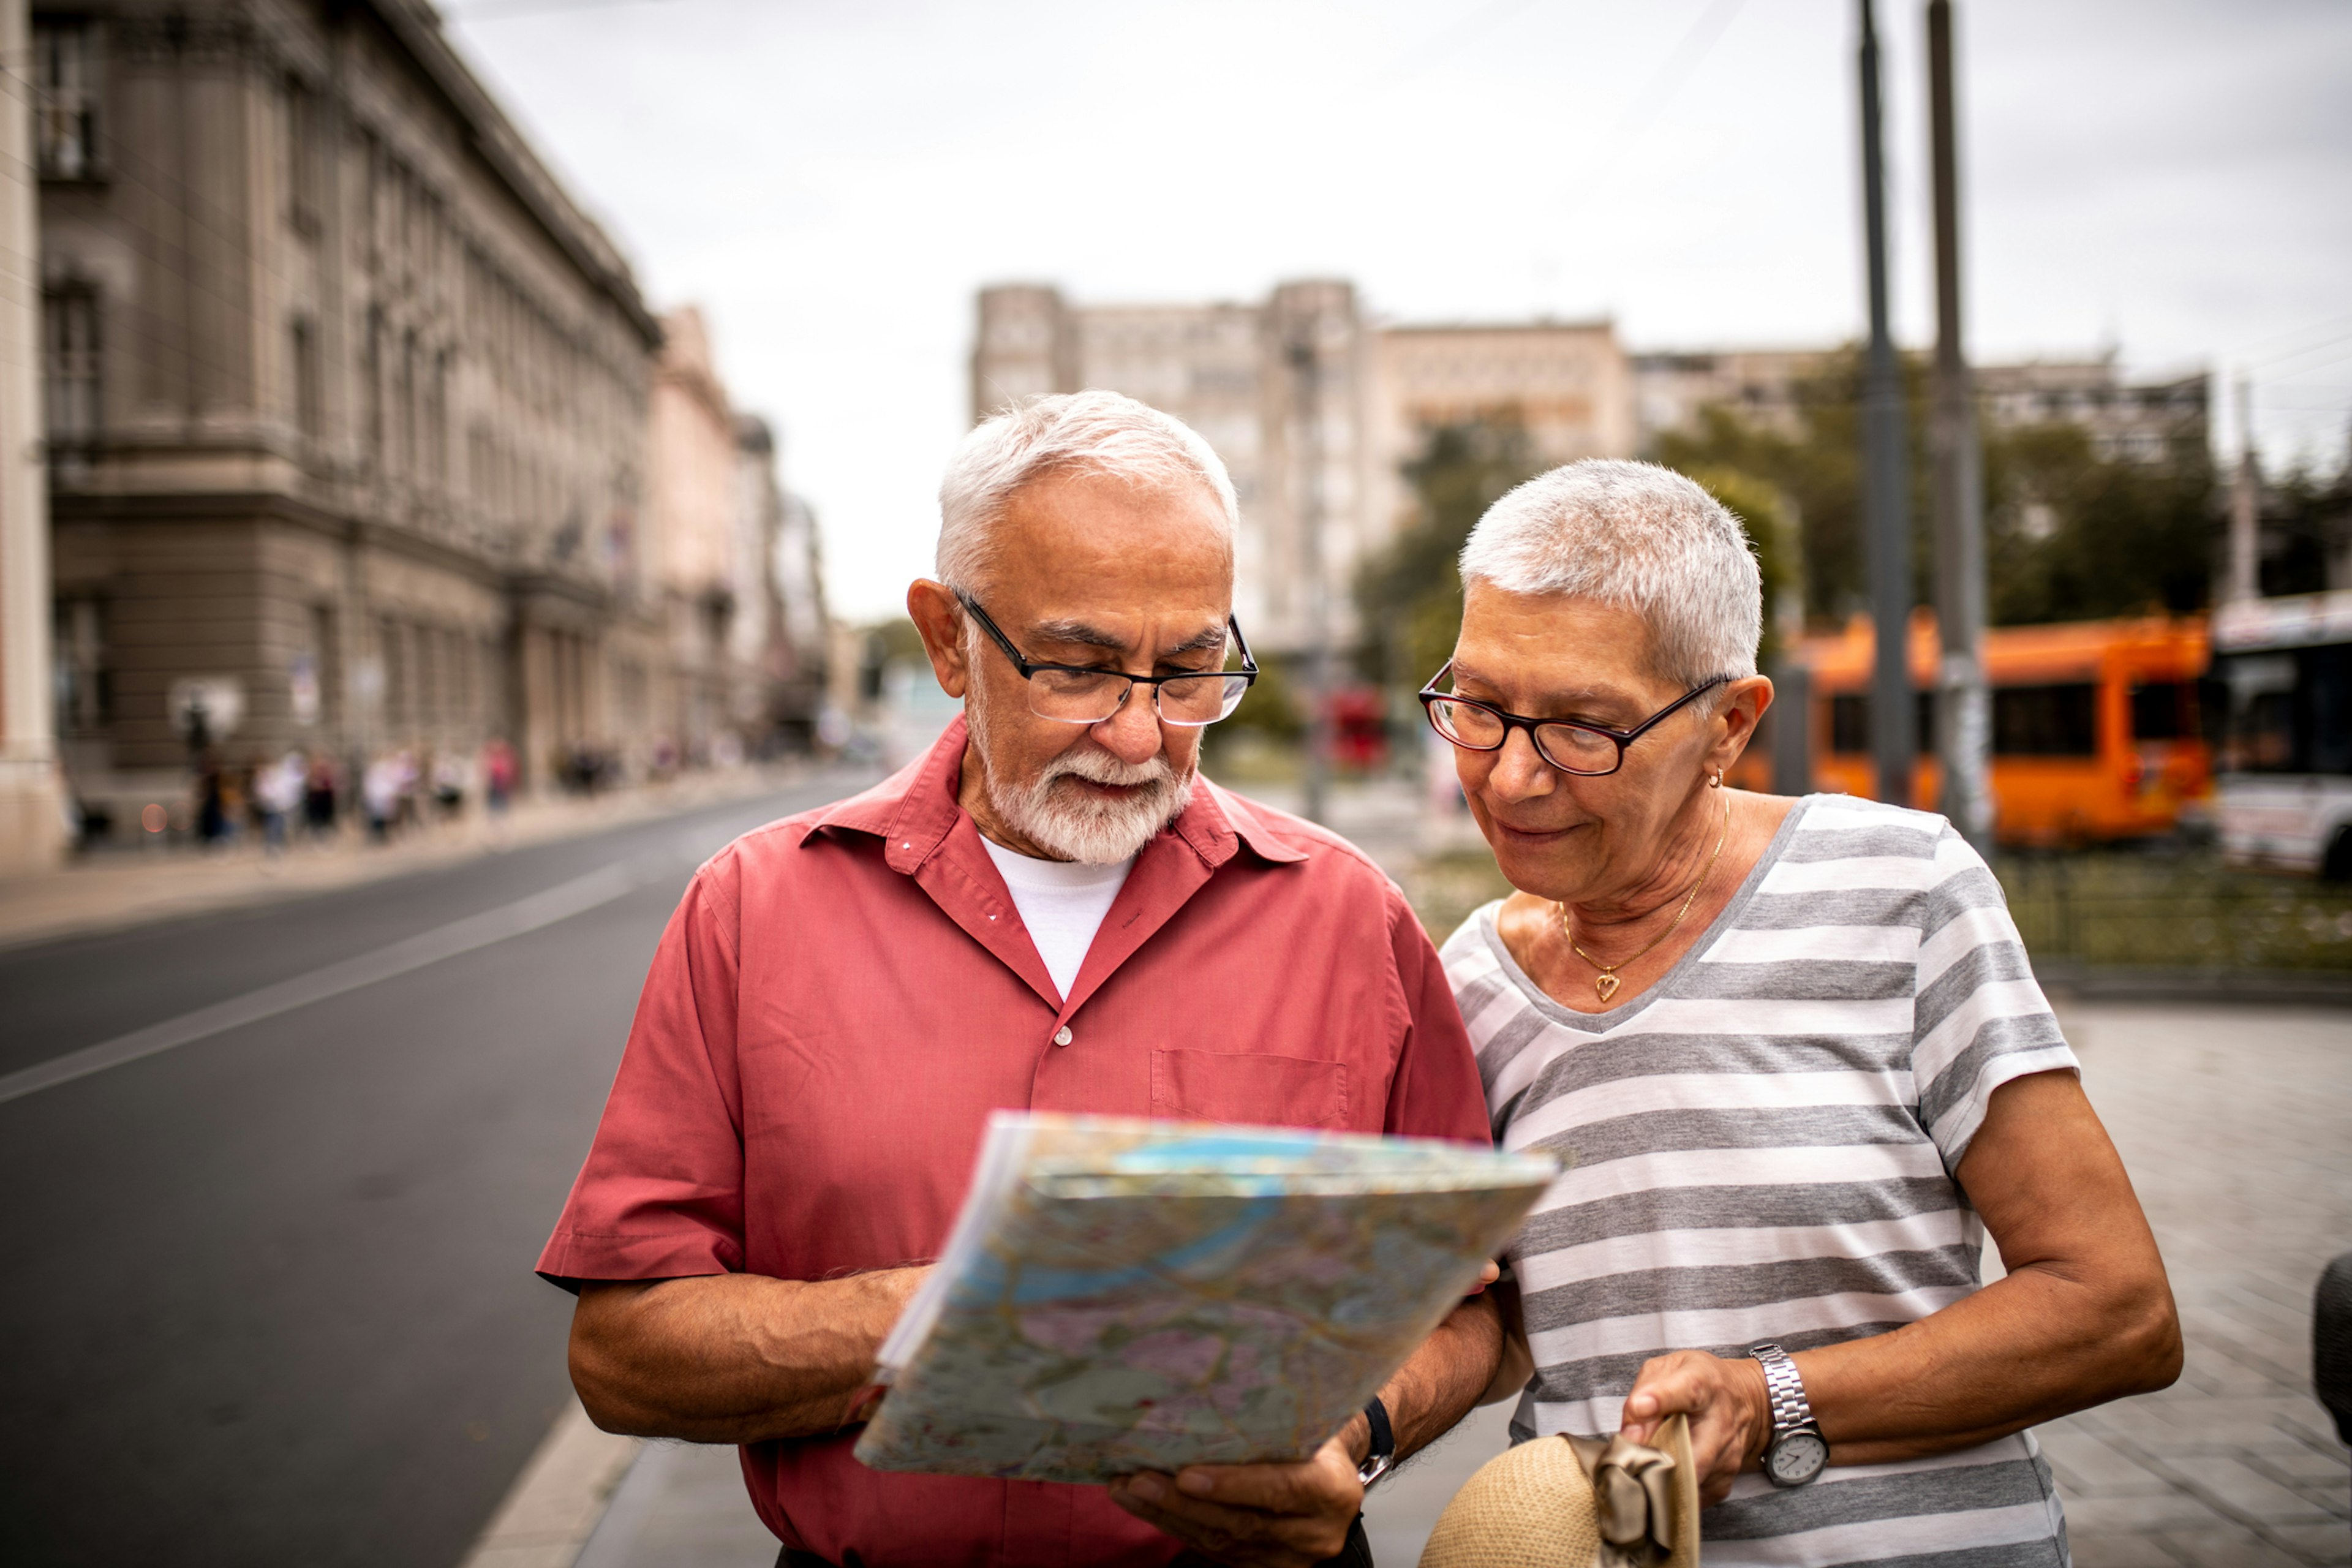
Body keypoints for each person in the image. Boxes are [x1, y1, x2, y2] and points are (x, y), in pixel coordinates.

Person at [540, 391, 1502, 1568]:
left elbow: (1469, 1301)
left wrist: (1359, 1434)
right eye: (1082, 669)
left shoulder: (1347, 916)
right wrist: (967, 1315)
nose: (1142, 735)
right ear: (948, 641)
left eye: (1191, 672)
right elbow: (622, 1352)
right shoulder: (753, 910)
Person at [1425, 461, 2181, 1563]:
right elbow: (1502, 1330)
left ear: (1730, 722)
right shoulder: (1472, 981)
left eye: (1585, 729)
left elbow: (2118, 1310)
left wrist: (1773, 1399)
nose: (1509, 778)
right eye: (1479, 707)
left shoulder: (1901, 887)